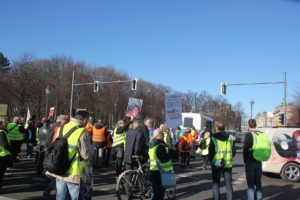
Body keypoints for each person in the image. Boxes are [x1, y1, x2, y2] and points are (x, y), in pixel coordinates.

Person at [45, 111, 92, 200]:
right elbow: (85, 155)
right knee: (74, 197)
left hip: (58, 168)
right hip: (73, 172)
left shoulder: (62, 128)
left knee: (60, 196)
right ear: (84, 119)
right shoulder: (82, 131)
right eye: (88, 120)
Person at [209, 121, 236, 200]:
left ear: (216, 128)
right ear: (224, 128)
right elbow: (233, 151)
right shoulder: (230, 137)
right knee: (228, 185)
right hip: (227, 164)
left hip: (216, 164)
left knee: (216, 183)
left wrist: (212, 161)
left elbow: (211, 153)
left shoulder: (213, 138)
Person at [149, 128, 174, 200]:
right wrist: (171, 152)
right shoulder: (160, 145)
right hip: (161, 171)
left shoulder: (152, 144)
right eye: (162, 134)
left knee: (155, 191)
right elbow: (164, 159)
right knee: (159, 193)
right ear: (159, 135)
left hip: (154, 170)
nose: (163, 136)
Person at [243, 119, 263, 200]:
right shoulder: (261, 134)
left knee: (250, 185)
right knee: (258, 183)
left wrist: (245, 161)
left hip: (251, 162)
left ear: (248, 125)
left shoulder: (249, 135)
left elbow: (245, 150)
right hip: (259, 161)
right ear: (256, 125)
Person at [0, 117, 12, 188]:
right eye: (5, 122)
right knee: (1, 173)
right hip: (2, 155)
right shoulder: (1, 132)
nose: (7, 124)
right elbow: (4, 144)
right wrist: (11, 150)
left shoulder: (3, 131)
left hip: (3, 154)